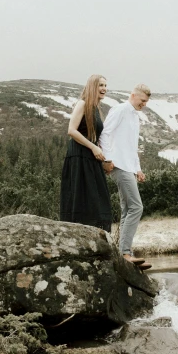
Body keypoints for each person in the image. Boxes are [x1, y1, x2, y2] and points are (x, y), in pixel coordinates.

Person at [100, 83, 152, 270]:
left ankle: (122, 252)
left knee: (127, 209)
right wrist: (107, 159)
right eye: (142, 101)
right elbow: (105, 134)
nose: (144, 104)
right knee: (136, 207)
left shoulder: (135, 117)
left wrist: (137, 169)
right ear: (133, 95)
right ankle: (125, 253)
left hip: (128, 166)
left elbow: (131, 146)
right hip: (118, 164)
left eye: (146, 102)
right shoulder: (120, 109)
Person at [59, 74, 112, 232]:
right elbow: (71, 130)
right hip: (79, 156)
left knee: (98, 199)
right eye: (100, 85)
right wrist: (93, 147)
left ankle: (98, 240)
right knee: (81, 199)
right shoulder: (82, 104)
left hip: (91, 157)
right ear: (92, 87)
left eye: (105, 86)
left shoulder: (95, 108)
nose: (104, 89)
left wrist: (105, 159)